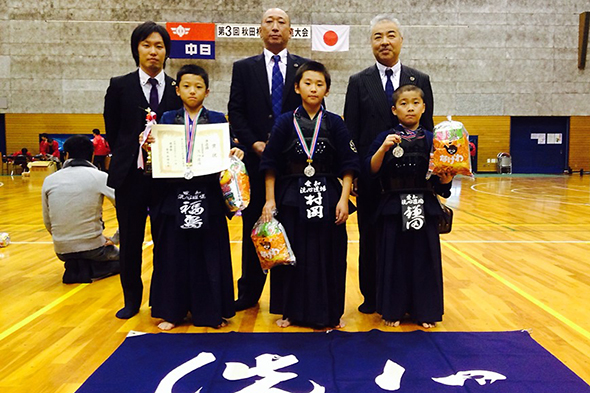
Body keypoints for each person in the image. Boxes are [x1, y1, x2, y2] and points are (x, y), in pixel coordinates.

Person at [344, 14, 435, 314]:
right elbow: (352, 132)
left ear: (401, 40)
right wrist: (357, 173)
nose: (384, 41)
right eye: (378, 36)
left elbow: (428, 128)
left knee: (409, 239)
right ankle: (371, 295)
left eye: (390, 35)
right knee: (370, 238)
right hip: (374, 178)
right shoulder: (359, 82)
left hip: (410, 182)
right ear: (370, 42)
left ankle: (408, 297)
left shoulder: (419, 79)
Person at [260, 61, 359, 329]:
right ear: (296, 87)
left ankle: (330, 314)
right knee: (293, 255)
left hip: (328, 195)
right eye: (308, 83)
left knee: (330, 255)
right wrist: (270, 200)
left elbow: (350, 164)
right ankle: (290, 311)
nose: (313, 89)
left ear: (326, 90)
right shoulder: (284, 122)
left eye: (319, 84)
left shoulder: (335, 122)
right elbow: (269, 163)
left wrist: (344, 200)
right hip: (291, 196)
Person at [145, 64, 242, 330]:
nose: (192, 91)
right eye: (186, 86)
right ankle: (172, 311)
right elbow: (155, 160)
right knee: (173, 254)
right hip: (174, 196)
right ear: (177, 90)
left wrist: (235, 153)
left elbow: (227, 152)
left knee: (208, 255)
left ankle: (210, 312)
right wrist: (150, 146)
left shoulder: (217, 121)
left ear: (207, 91)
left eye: (198, 87)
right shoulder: (166, 119)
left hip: (207, 196)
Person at [228, 8, 310, 311]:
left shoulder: (305, 68)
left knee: (291, 227)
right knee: (254, 226)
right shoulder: (243, 68)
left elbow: (312, 110)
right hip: (255, 161)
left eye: (282, 23)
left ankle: (289, 297)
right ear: (260, 30)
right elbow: (235, 111)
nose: (275, 27)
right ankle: (248, 294)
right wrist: (255, 142)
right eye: (269, 22)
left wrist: (286, 145)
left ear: (291, 31)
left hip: (293, 166)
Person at [104, 21, 182, 319]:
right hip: (130, 178)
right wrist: (131, 152)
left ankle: (164, 299)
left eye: (159, 46)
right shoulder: (119, 85)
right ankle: (131, 300)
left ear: (167, 52)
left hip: (167, 178)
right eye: (146, 45)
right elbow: (113, 131)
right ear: (136, 49)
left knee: (167, 241)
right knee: (131, 240)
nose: (153, 52)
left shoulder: (178, 88)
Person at [366, 85, 452, 328]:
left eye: (415, 102)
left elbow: (441, 182)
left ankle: (425, 311)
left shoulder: (433, 139)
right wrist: (383, 148)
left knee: (424, 260)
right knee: (393, 258)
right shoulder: (385, 137)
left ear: (424, 107)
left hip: (424, 205)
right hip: (393, 207)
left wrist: (446, 179)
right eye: (404, 103)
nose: (410, 107)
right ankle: (392, 310)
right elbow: (371, 171)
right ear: (394, 110)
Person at [42, 135, 120, 284]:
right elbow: (125, 209)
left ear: (66, 155)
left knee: (79, 254)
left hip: (62, 250)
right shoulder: (100, 177)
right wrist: (116, 239)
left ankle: (78, 265)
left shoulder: (49, 180)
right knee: (128, 261)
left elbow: (47, 221)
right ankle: (90, 268)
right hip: (94, 248)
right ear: (92, 155)